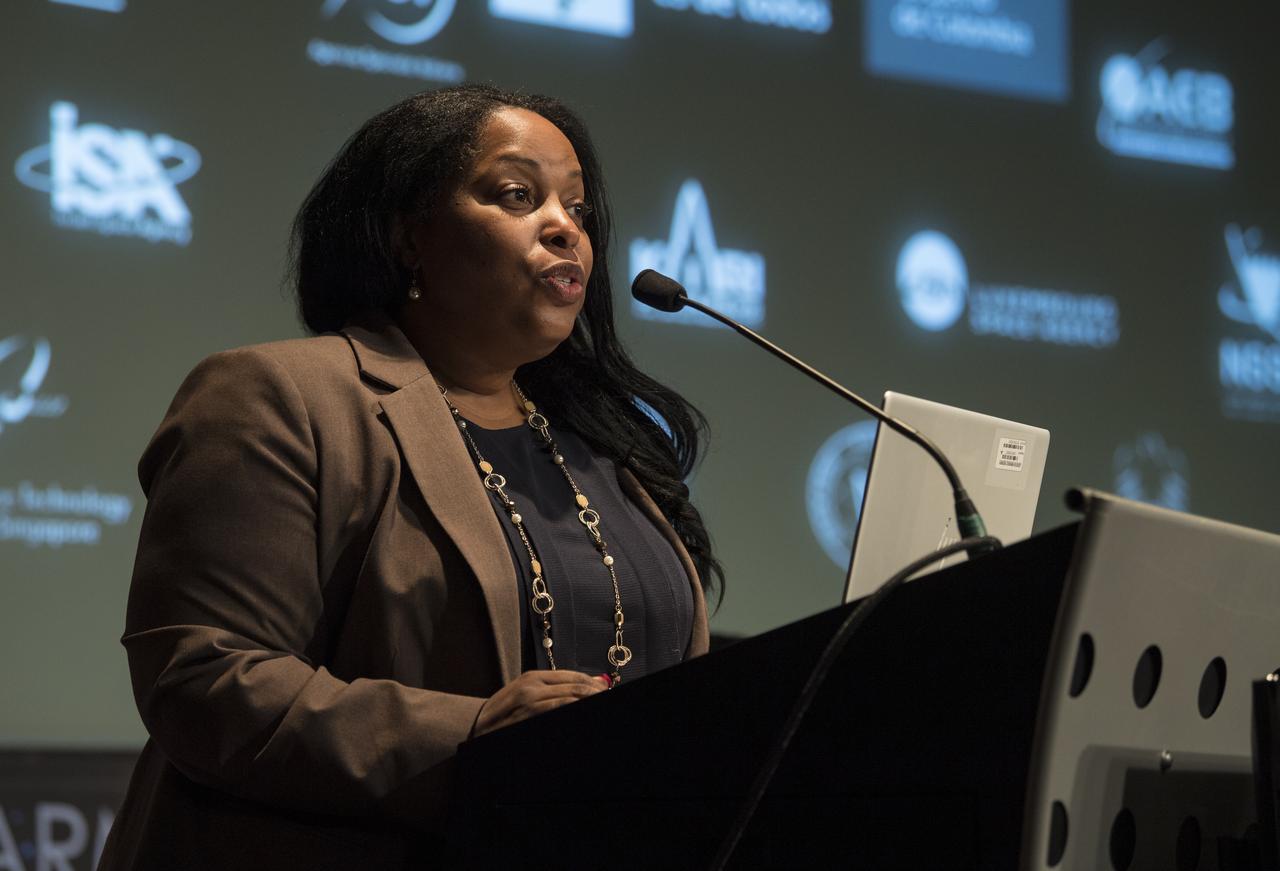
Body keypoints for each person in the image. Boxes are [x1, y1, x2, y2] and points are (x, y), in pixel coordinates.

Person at [98, 84, 722, 870]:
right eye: (518, 195)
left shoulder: (605, 452)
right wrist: (471, 738)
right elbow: (204, 676)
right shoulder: (283, 397)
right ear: (408, 237)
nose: (566, 228)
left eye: (578, 208)